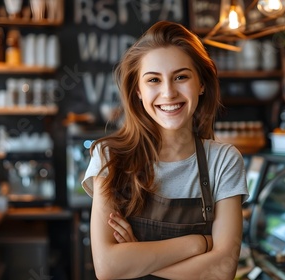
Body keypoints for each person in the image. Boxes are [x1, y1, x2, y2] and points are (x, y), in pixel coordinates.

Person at [82, 20, 249, 280]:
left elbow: (222, 270)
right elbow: (108, 268)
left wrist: (136, 255)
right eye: (153, 80)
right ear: (137, 90)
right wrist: (198, 244)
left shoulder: (224, 161)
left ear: (201, 84)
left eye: (181, 77)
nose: (168, 93)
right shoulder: (109, 157)